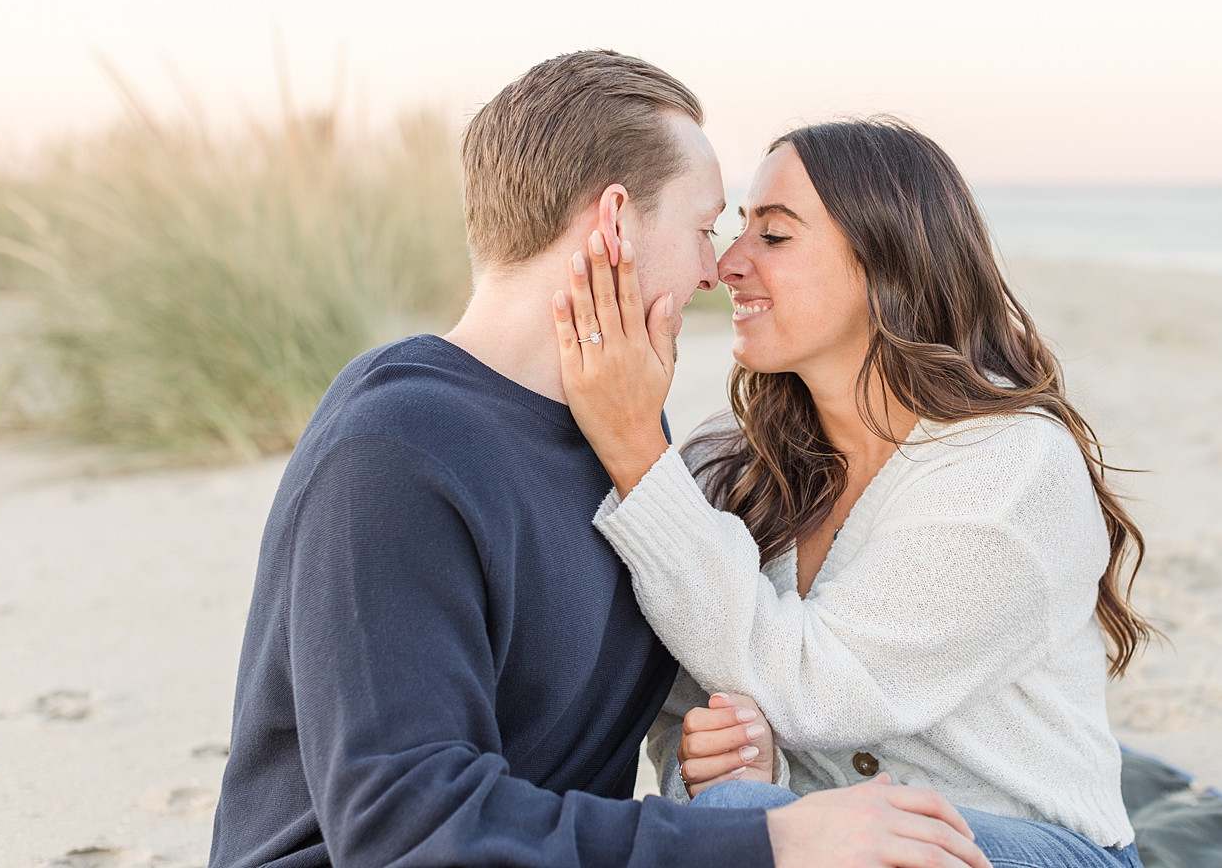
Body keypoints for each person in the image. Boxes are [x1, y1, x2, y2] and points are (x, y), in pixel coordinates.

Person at [209, 54, 989, 868]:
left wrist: (736, 758)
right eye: (703, 228)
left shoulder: (621, 433)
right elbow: (404, 825)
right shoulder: (395, 450)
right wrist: (767, 839)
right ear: (614, 222)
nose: (714, 271)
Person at [552, 118, 1154, 868]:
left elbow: (815, 686)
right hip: (829, 842)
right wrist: (730, 760)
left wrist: (635, 448)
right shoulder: (721, 462)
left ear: (885, 264)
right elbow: (682, 711)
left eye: (774, 237)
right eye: (738, 230)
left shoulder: (1011, 466)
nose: (729, 265)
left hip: (1032, 846)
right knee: (742, 812)